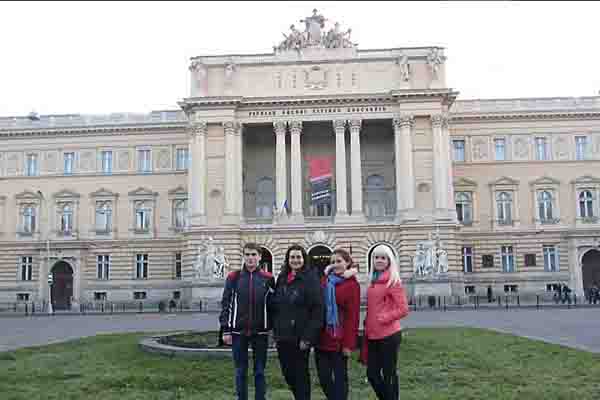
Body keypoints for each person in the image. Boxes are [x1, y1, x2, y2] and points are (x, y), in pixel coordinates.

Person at [219, 243, 275, 400]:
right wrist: (225, 329)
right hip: (238, 332)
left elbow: (272, 306)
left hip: (260, 332)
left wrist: (272, 329)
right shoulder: (234, 277)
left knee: (259, 371)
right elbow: (226, 304)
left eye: (253, 255)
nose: (250, 258)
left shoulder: (268, 278)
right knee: (240, 370)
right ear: (243, 256)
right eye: (247, 254)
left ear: (259, 257)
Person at [271, 244, 324, 400]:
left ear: (304, 259)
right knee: (287, 373)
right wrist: (275, 330)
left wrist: (308, 337)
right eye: (292, 257)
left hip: (301, 337)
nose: (295, 260)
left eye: (298, 257)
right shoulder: (281, 278)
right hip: (283, 336)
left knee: (300, 374)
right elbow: (276, 306)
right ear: (288, 260)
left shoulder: (311, 279)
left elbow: (318, 310)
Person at [361, 244, 409, 400]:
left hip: (389, 335)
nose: (379, 260)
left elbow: (403, 309)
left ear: (389, 261)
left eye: (383, 258)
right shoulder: (373, 280)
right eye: (376, 257)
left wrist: (384, 318)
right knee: (372, 374)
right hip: (373, 335)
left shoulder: (393, 281)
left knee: (389, 374)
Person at [315, 249, 361, 400]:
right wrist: (325, 274)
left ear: (347, 263)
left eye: (339, 261)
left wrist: (349, 344)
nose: (335, 264)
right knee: (324, 378)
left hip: (339, 340)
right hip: (322, 338)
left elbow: (353, 316)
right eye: (332, 262)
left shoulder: (352, 284)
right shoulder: (325, 281)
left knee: (340, 378)